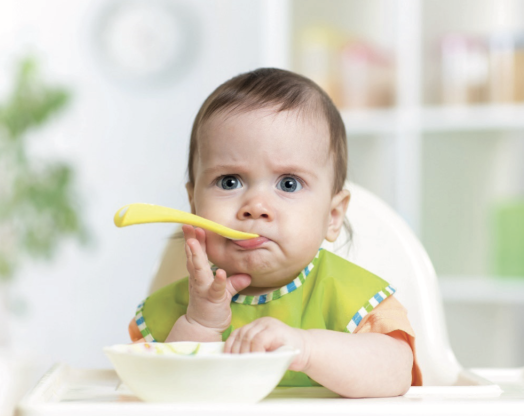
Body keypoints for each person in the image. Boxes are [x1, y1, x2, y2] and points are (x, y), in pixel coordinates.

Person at [128, 68, 422, 397]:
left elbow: (396, 374)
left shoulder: (351, 299)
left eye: (288, 184)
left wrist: (306, 348)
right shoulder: (179, 307)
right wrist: (201, 324)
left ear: (333, 216)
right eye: (229, 181)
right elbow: (164, 395)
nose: (256, 206)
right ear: (194, 205)